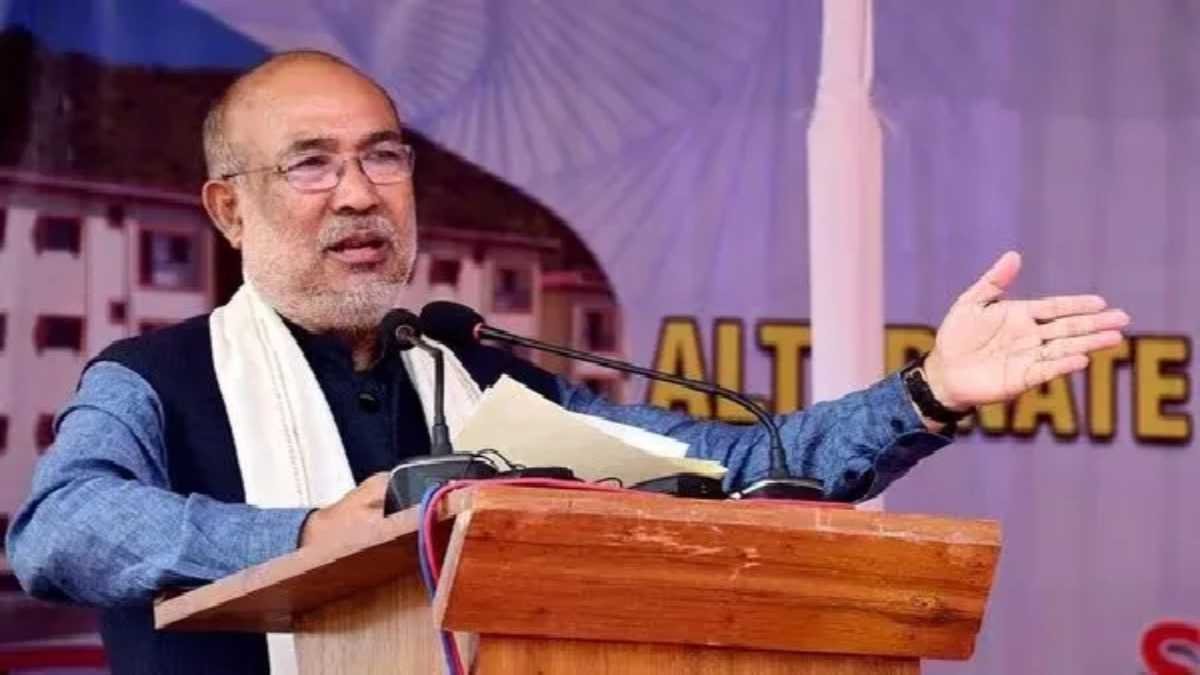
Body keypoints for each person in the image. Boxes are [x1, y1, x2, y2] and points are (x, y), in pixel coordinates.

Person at [5, 51, 1129, 675]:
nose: (358, 194)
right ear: (227, 209)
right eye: (310, 165)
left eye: (383, 157)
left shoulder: (481, 378)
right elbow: (57, 528)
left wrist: (928, 393)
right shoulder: (153, 378)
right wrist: (301, 540)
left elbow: (736, 470)